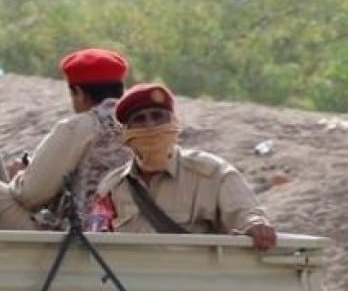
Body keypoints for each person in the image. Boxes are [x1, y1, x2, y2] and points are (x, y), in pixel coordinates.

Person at [0, 47, 132, 230]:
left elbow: (30, 196)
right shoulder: (138, 125)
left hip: (79, 238)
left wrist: (20, 176)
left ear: (79, 93)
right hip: (127, 231)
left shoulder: (78, 127)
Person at [87, 82, 277, 250]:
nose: (151, 126)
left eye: (158, 116)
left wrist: (256, 225)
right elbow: (98, 240)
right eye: (139, 119)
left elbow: (245, 213)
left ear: (174, 124)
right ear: (125, 134)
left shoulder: (212, 174)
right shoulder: (111, 188)